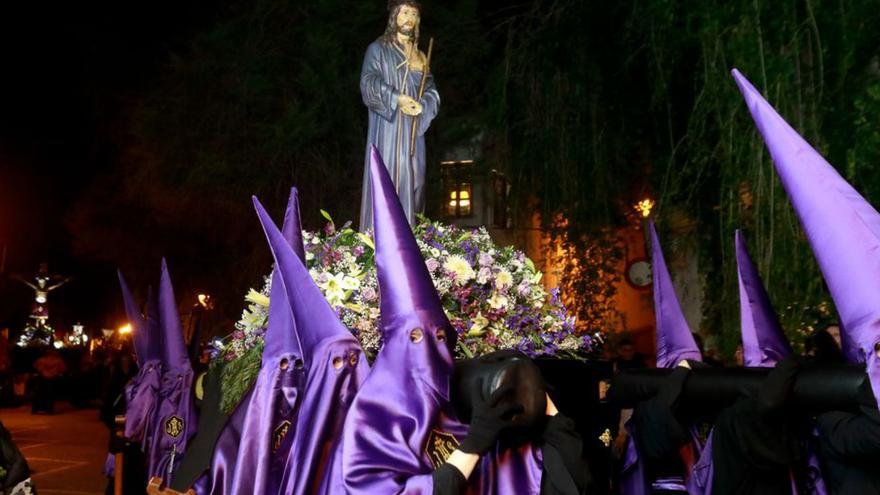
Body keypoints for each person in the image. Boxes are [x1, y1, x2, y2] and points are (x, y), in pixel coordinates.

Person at [358, 0, 440, 230]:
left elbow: (431, 90)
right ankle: (383, 238)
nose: (409, 18)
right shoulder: (378, 49)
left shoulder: (421, 57)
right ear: (394, 16)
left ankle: (413, 237)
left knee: (417, 180)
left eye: (414, 13)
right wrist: (397, 98)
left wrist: (423, 105)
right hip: (388, 128)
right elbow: (368, 82)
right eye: (405, 12)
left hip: (414, 130)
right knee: (391, 179)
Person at [32, 348, 66, 414]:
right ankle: (49, 409)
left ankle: (37, 408)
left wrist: (42, 370)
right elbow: (63, 369)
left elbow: (35, 367)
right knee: (50, 394)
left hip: (43, 377)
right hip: (53, 378)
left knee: (40, 393)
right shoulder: (59, 360)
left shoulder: (41, 360)